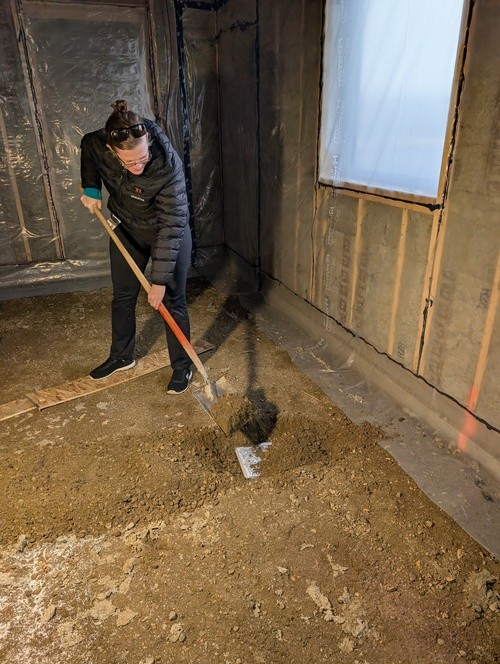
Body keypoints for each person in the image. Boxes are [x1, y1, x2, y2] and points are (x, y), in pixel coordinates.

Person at [79, 99, 193, 394]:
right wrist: (91, 187)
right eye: (130, 162)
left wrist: (159, 281)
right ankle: (121, 356)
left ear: (149, 141)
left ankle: (183, 366)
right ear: (112, 150)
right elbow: (88, 146)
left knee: (172, 300)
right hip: (127, 227)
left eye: (143, 157)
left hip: (166, 232)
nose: (139, 165)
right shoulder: (99, 145)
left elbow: (172, 223)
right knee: (123, 295)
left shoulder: (166, 165)